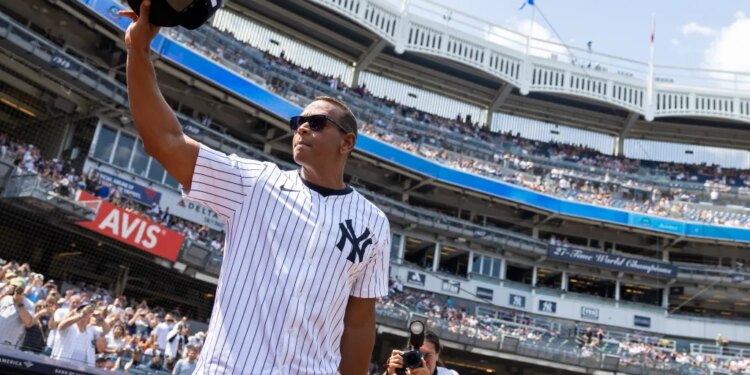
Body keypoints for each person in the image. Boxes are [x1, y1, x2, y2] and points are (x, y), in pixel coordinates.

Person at [119, 2, 391, 374]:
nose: (302, 127)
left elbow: (359, 323)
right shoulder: (254, 183)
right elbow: (165, 141)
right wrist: (138, 50)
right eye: (299, 121)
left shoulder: (374, 223)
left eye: (317, 122)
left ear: (347, 142)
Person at [385, 331, 458, 375]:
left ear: (437, 354)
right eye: (417, 354)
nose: (422, 359)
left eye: (428, 355)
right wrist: (388, 373)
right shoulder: (400, 372)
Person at [0, 278, 35, 348]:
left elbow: (28, 323)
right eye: (14, 286)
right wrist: (5, 293)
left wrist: (20, 304)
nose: (16, 289)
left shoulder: (29, 304)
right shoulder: (4, 298)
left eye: (19, 288)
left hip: (7, 342)